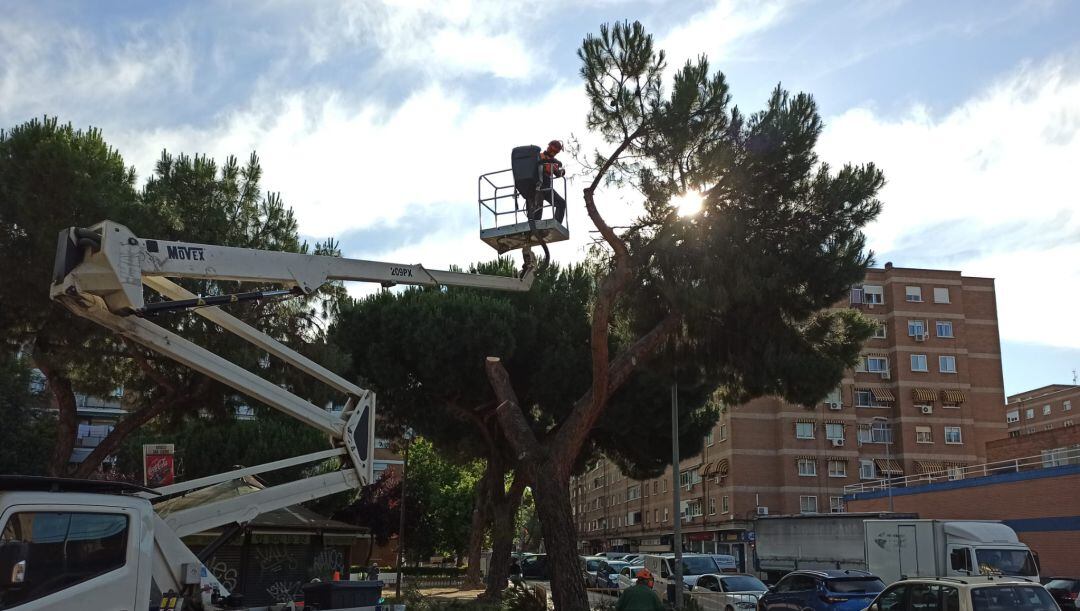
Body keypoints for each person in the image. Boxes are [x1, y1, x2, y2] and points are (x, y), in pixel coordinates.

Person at [522, 140, 567, 223]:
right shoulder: (539, 156)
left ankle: (556, 224)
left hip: (547, 188)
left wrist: (561, 171)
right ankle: (533, 229)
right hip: (536, 188)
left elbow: (557, 173)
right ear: (549, 147)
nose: (554, 152)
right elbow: (539, 163)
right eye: (553, 149)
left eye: (556, 151)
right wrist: (552, 162)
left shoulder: (553, 161)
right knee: (536, 213)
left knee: (561, 203)